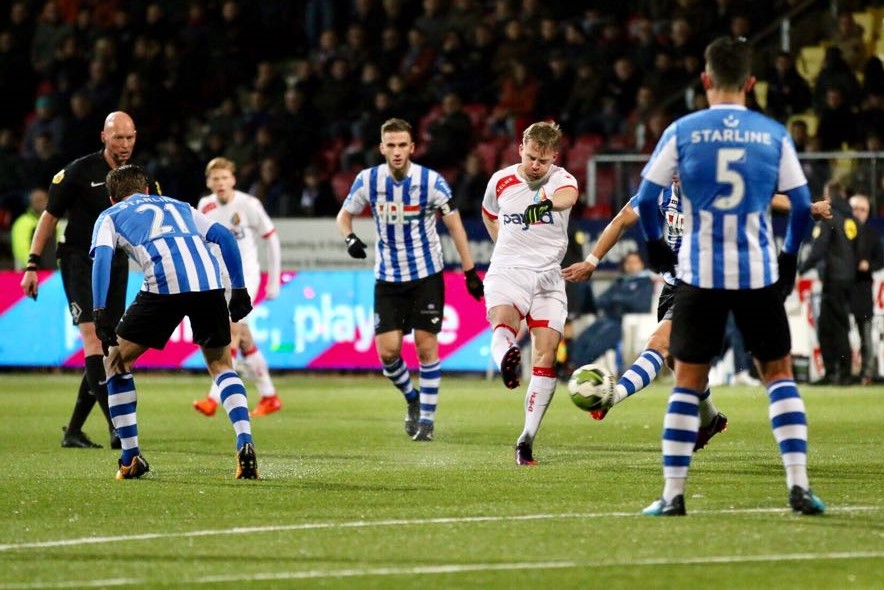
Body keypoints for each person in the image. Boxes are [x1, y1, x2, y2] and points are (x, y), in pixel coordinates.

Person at [632, 37, 824, 516]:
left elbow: (646, 195)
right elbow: (801, 205)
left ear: (705, 81)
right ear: (751, 83)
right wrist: (788, 256)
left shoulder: (683, 129)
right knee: (778, 375)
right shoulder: (772, 133)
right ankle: (798, 487)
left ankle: (673, 495)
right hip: (757, 270)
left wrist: (655, 241)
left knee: (688, 382)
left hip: (698, 272)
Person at [90, 164, 257, 480]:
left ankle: (130, 458)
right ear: (149, 190)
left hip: (163, 284)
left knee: (115, 362)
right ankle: (244, 439)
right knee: (222, 366)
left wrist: (100, 311)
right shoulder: (180, 206)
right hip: (209, 281)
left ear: (112, 198)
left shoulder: (109, 216)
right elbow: (223, 236)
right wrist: (239, 287)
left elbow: (101, 260)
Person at [336, 118, 484, 442]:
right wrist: (349, 238)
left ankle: (427, 422)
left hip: (426, 274)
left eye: (403, 145)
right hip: (388, 278)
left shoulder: (432, 182)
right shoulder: (368, 180)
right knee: (387, 352)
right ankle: (412, 398)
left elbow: (456, 226)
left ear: (413, 148)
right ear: (382, 148)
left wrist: (470, 271)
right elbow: (344, 216)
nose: (397, 151)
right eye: (391, 145)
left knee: (425, 346)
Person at [20, 111, 160, 450]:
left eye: (129, 138)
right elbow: (49, 218)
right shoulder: (79, 172)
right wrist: (32, 264)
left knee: (108, 345)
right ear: (103, 136)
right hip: (79, 261)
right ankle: (118, 426)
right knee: (94, 341)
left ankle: (73, 432)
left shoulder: (139, 179)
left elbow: (157, 221)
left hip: (116, 264)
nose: (124, 145)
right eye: (118, 138)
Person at [481, 120, 579, 465]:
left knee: (546, 355)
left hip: (549, 278)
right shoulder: (501, 180)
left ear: (554, 156)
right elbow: (489, 214)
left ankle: (526, 440)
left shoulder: (562, 180)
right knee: (503, 323)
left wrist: (547, 204)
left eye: (543, 160)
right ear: (521, 147)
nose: (536, 165)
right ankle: (508, 357)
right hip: (508, 270)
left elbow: (569, 197)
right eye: (531, 156)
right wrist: (503, 246)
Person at [192, 158, 283, 418]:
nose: (220, 183)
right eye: (215, 179)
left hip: (246, 279)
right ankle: (269, 395)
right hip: (218, 280)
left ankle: (213, 398)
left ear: (233, 179)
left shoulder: (249, 204)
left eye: (224, 178)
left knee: (231, 331)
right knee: (243, 338)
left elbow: (271, 239)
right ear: (209, 182)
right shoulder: (204, 206)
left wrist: (273, 280)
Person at [799, 181, 858, 385]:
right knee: (830, 324)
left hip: (834, 279)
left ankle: (841, 372)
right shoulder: (849, 219)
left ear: (828, 198)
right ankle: (836, 371)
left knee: (834, 326)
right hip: (847, 279)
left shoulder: (829, 218)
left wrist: (801, 268)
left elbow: (819, 248)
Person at [568, 251, 654, 368]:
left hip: (624, 322)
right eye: (628, 262)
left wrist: (616, 300)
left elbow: (640, 304)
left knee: (597, 343)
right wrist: (620, 300)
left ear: (642, 264)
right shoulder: (621, 281)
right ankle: (571, 366)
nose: (631, 265)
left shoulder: (646, 282)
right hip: (607, 318)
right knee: (583, 339)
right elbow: (601, 300)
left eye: (635, 262)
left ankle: (580, 367)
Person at [848, 194, 883, 384]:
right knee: (842, 330)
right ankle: (844, 371)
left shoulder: (872, 235)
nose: (859, 213)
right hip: (843, 287)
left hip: (862, 287)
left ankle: (866, 373)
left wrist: (868, 265)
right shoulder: (842, 231)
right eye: (856, 209)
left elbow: (880, 260)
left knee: (866, 331)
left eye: (863, 210)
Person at [11, 188, 57, 270]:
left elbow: (59, 245)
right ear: (30, 203)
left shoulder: (55, 221)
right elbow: (21, 249)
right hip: (31, 271)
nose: (40, 203)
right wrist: (32, 267)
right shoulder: (23, 222)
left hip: (54, 273)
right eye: (37, 200)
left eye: (43, 200)